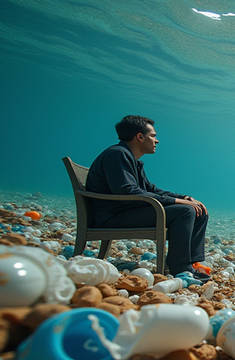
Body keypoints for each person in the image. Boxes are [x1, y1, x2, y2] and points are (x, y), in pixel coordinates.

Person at [85, 115, 210, 281]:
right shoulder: (117, 154)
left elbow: (151, 189)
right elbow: (127, 192)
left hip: (123, 212)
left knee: (198, 210)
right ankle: (180, 269)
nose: (156, 141)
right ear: (140, 136)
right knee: (185, 211)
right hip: (111, 217)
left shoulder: (132, 159)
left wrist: (185, 197)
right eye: (153, 136)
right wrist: (179, 202)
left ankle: (194, 263)